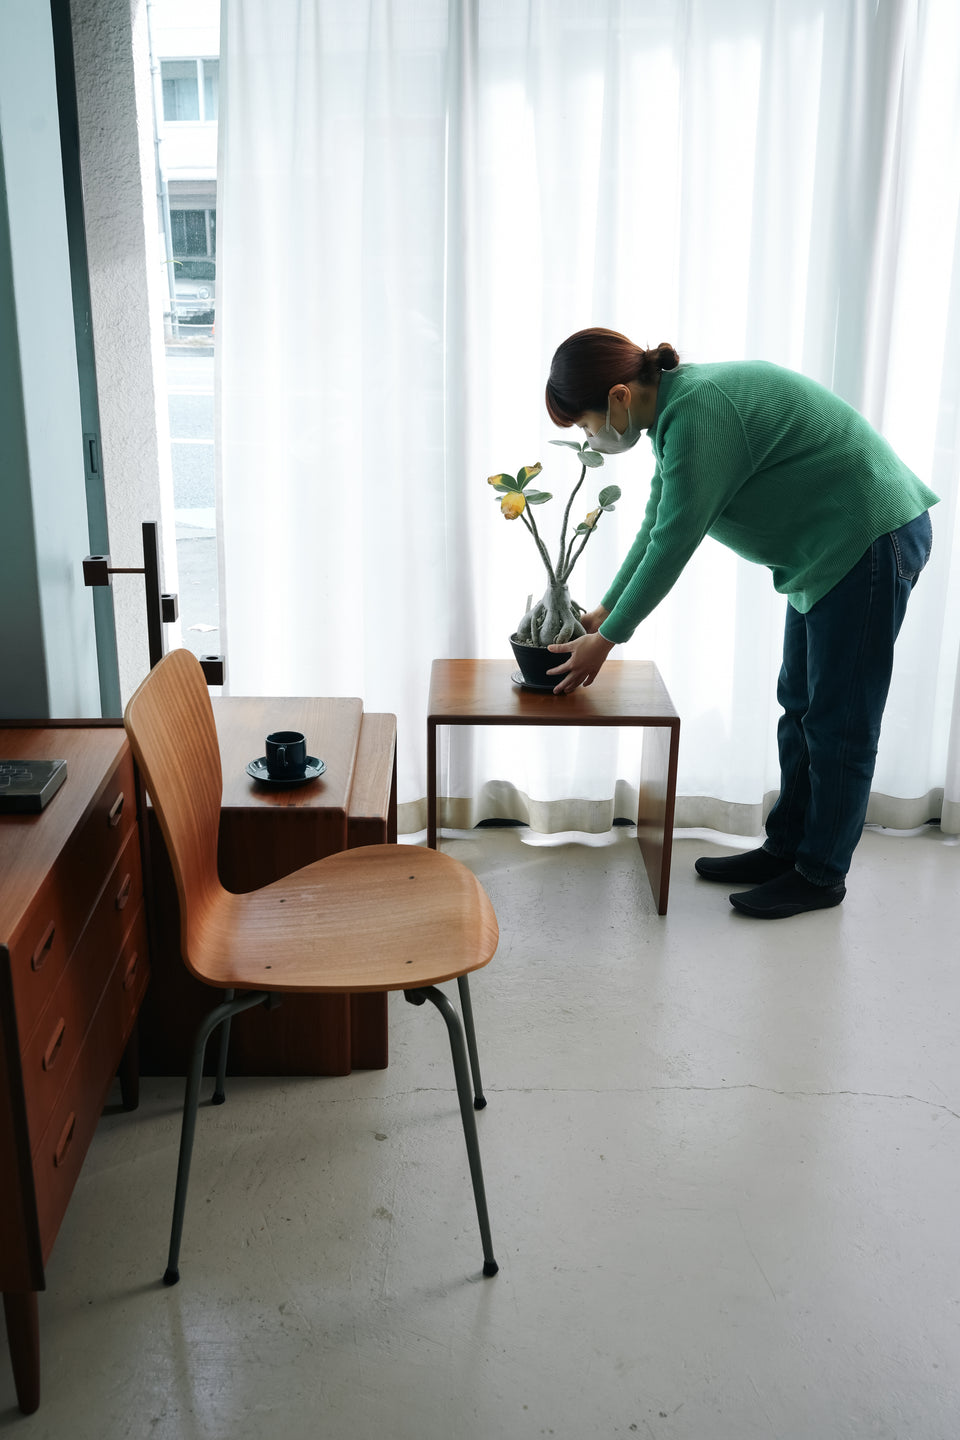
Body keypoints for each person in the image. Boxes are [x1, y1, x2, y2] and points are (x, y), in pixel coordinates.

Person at [543, 327, 938, 919]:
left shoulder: (701, 414)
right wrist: (603, 612)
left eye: (586, 424)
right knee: (799, 706)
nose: (590, 438)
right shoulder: (674, 416)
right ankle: (787, 850)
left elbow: (675, 542)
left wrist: (608, 639)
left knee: (839, 723)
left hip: (867, 539)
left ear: (620, 397)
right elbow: (658, 523)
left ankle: (820, 875)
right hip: (826, 553)